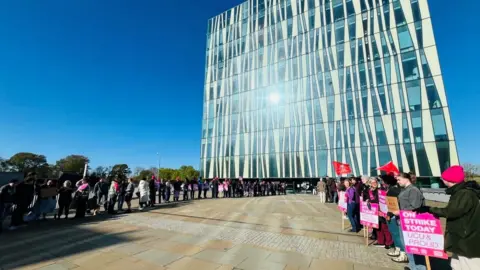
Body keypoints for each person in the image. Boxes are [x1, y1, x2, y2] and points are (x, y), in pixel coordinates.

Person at [417, 165, 480, 269]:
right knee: (456, 265)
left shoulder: (464, 193)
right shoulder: (460, 192)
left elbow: (452, 211)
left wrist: (430, 209)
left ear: (451, 179)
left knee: (468, 266)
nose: (441, 179)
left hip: (467, 240)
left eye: (443, 178)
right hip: (461, 238)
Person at [395, 172, 426, 270]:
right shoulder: (405, 189)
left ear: (406, 179)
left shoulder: (413, 190)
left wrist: (400, 212)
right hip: (404, 220)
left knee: (414, 247)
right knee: (408, 246)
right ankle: (413, 266)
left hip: (411, 222)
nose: (397, 181)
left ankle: (419, 268)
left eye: (399, 179)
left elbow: (415, 207)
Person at [382, 174, 408, 263]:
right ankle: (398, 250)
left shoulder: (394, 190)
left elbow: (392, 204)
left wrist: (389, 214)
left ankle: (402, 253)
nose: (382, 183)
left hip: (393, 214)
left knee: (397, 234)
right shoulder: (392, 189)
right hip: (392, 213)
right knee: (395, 234)